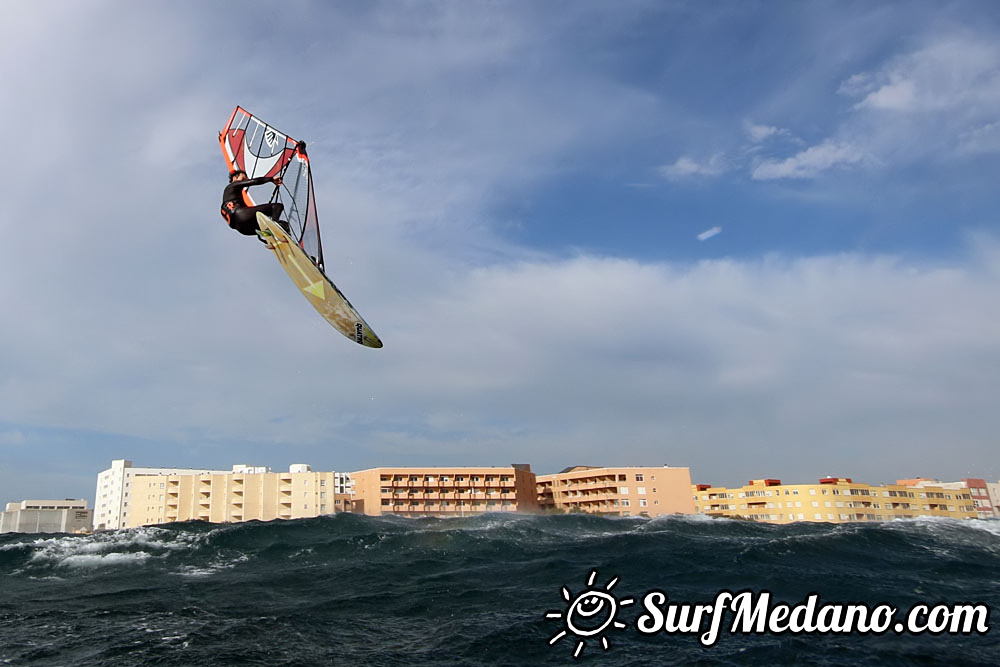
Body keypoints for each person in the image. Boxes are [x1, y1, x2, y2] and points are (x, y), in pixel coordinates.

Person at [220, 169, 291, 237]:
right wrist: (271, 179)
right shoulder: (233, 185)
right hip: (242, 215)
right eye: (244, 178)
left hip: (242, 229)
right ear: (235, 177)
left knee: (268, 226)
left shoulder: (228, 195)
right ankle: (274, 228)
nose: (247, 179)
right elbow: (254, 181)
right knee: (276, 207)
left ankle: (271, 236)